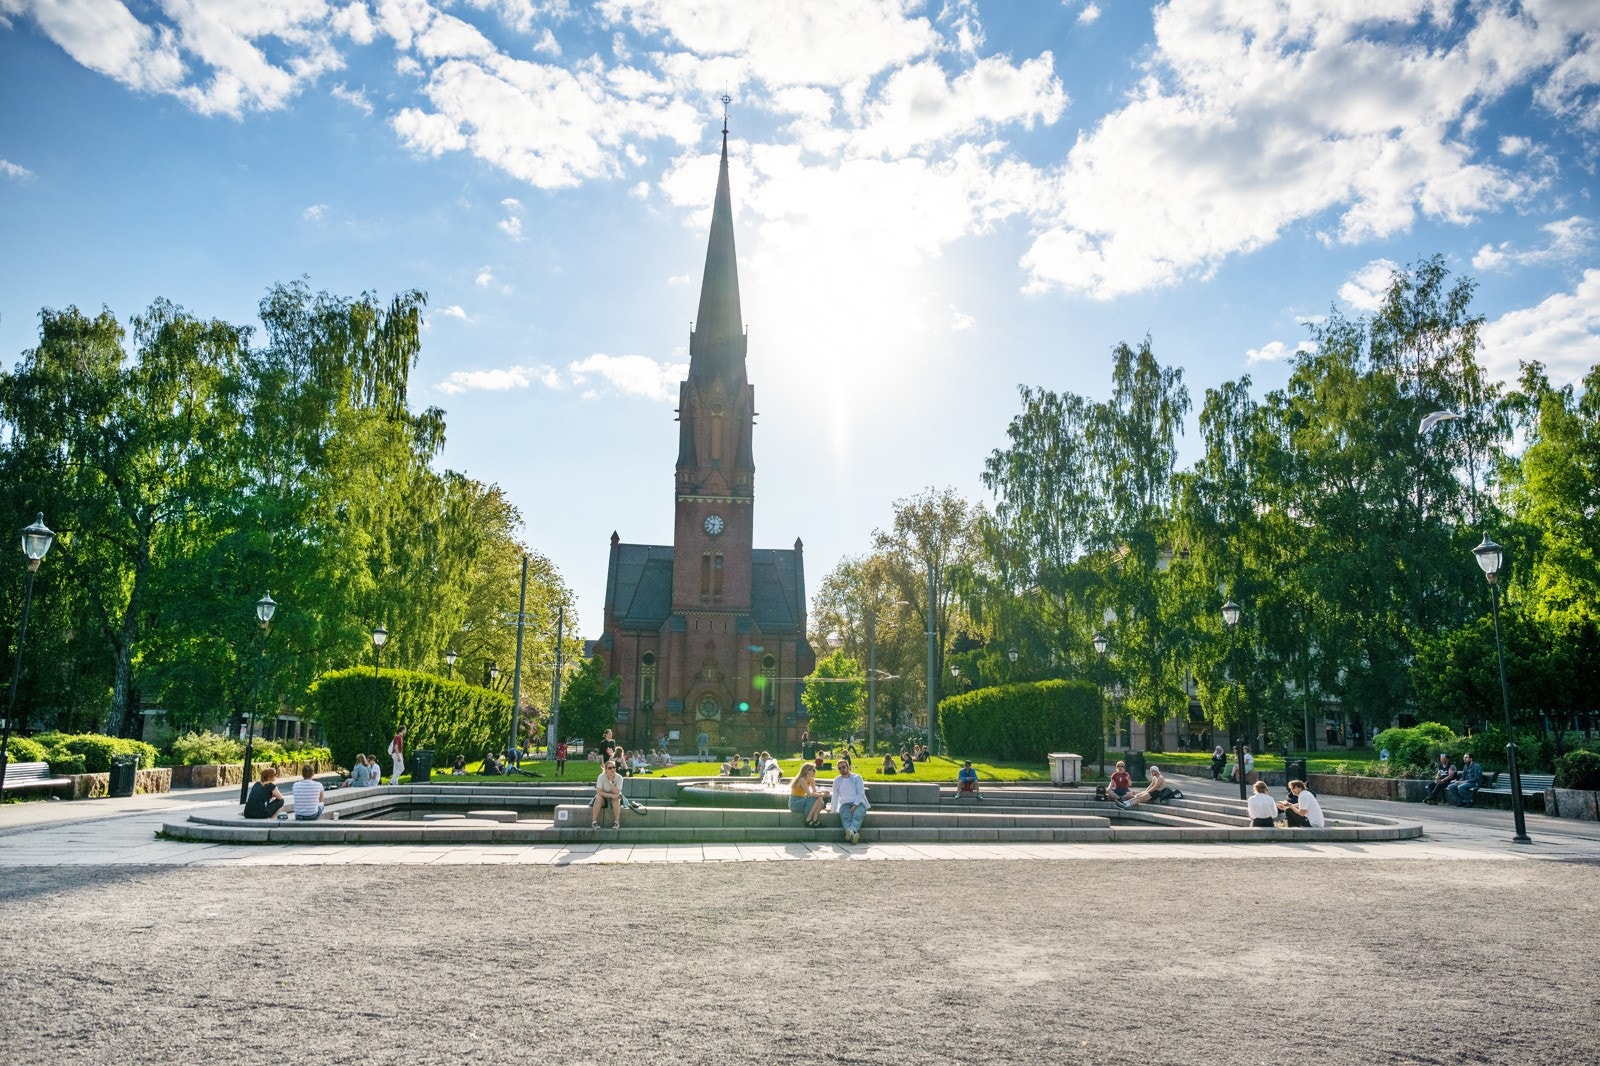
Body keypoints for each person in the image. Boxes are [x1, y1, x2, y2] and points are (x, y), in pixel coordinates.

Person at [831, 757, 869, 844]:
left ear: (848, 767)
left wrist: (854, 806)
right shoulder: (837, 780)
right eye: (839, 768)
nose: (842, 769)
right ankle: (853, 835)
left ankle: (850, 833)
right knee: (845, 819)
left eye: (843, 767)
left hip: (859, 804)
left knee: (857, 816)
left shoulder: (857, 778)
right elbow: (835, 795)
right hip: (845, 804)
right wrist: (833, 809)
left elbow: (860, 793)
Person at [591, 760, 626, 829]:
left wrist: (611, 781)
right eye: (610, 768)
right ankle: (594, 822)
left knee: (616, 798)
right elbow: (599, 792)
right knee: (598, 797)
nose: (612, 769)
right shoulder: (601, 777)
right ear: (606, 770)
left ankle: (616, 822)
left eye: (614, 767)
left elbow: (617, 792)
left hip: (615, 797)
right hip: (604, 798)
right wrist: (610, 795)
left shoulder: (619, 778)